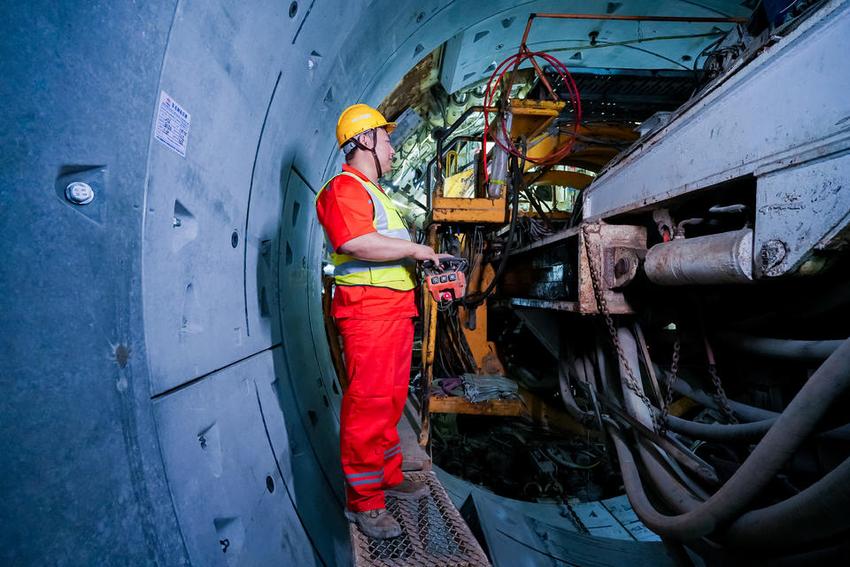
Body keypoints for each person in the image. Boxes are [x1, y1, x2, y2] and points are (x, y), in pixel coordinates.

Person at [315, 103, 449, 539]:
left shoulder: (377, 195)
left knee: (390, 402)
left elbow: (383, 246)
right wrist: (416, 251)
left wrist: (423, 264)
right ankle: (365, 504)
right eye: (387, 139)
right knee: (369, 406)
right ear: (366, 140)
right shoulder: (344, 188)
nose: (393, 148)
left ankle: (388, 474)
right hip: (368, 314)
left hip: (392, 312)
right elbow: (357, 242)